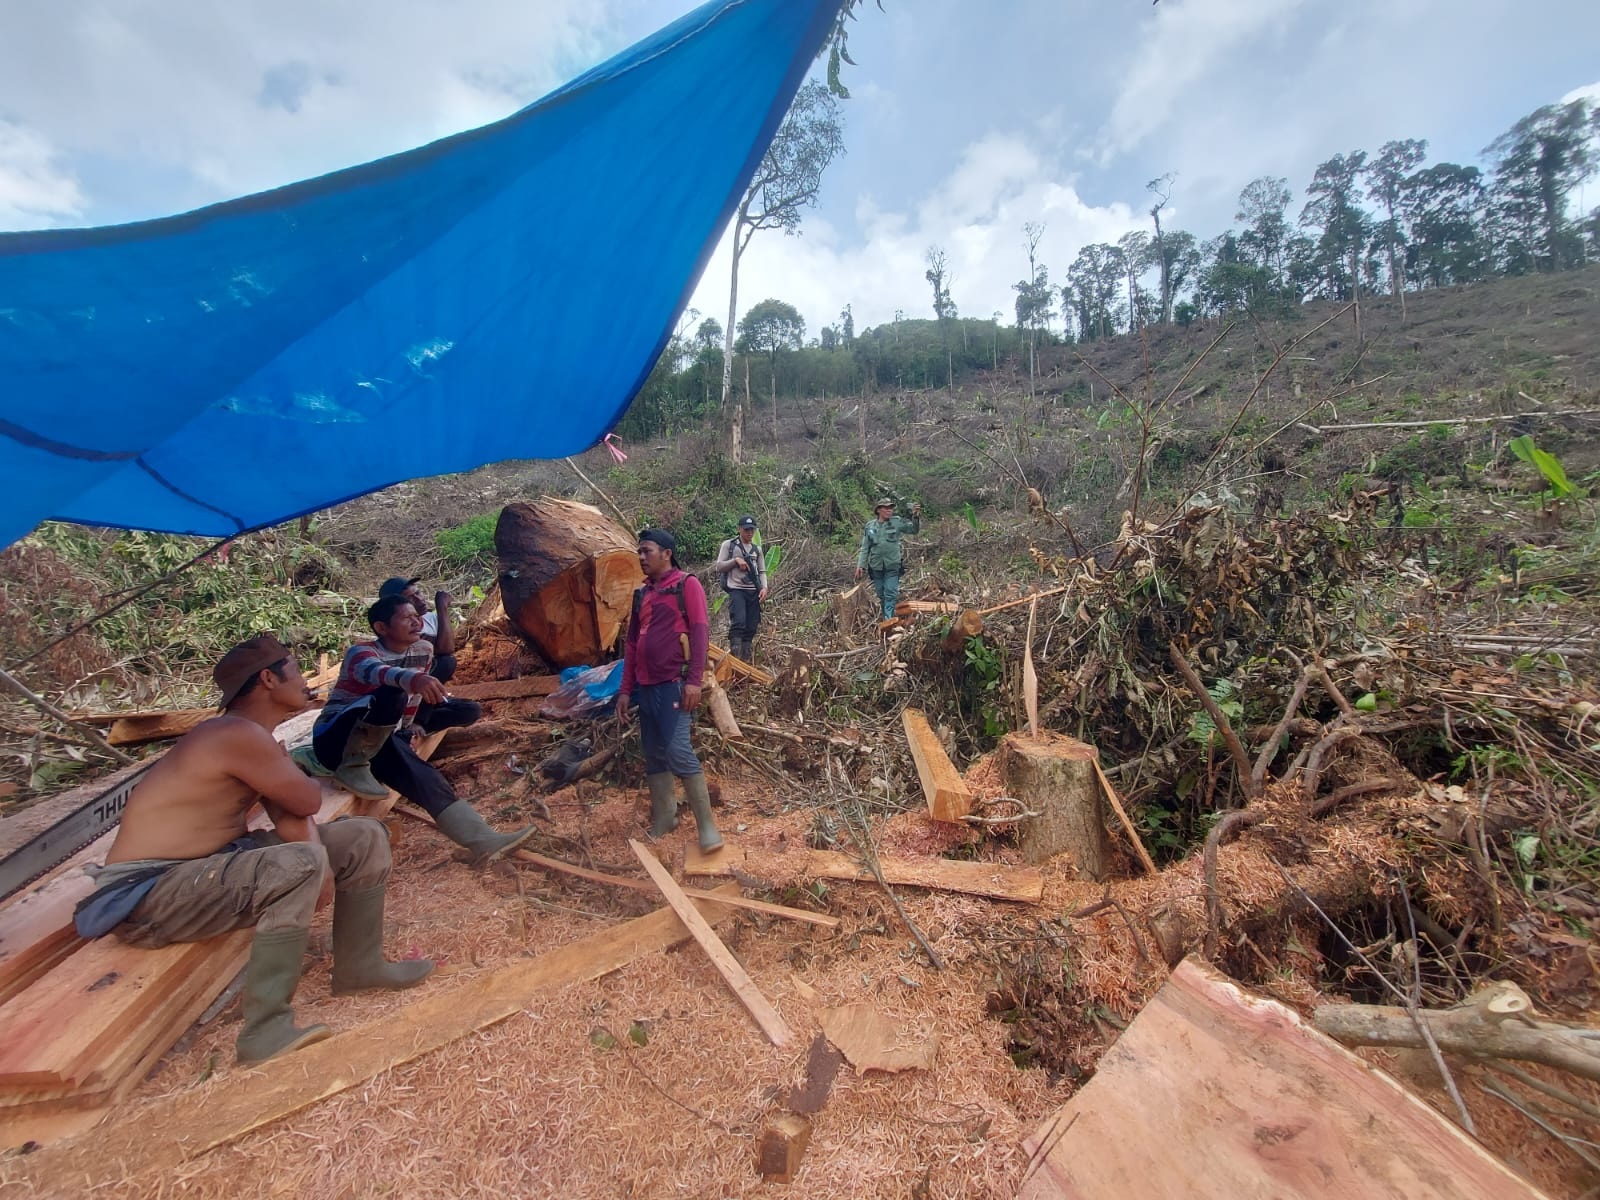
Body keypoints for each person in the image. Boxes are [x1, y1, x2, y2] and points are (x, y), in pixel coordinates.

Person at [76, 635, 434, 1065]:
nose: (305, 681)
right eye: (296, 670)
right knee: (298, 860)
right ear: (268, 679)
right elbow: (306, 801)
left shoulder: (254, 738)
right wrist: (310, 851)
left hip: (205, 869)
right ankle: (264, 1029)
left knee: (363, 836)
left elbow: (288, 815)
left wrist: (314, 850)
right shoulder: (234, 735)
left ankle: (360, 966)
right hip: (150, 890)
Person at [312, 595, 536, 865]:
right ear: (382, 628)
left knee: (423, 775)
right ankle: (351, 766)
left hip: (378, 740)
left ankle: (482, 840)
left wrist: (407, 732)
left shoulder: (422, 650)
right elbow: (377, 673)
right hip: (335, 742)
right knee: (391, 693)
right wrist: (411, 678)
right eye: (406, 617)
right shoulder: (361, 652)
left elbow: (412, 703)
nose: (416, 621)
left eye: (416, 616)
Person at [616, 529, 721, 852]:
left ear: (667, 553)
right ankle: (665, 817)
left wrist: (693, 681)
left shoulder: (686, 585)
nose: (642, 557)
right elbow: (632, 645)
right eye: (640, 552)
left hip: (674, 684)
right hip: (645, 688)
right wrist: (624, 690)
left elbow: (701, 633)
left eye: (647, 551)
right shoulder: (642, 594)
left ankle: (707, 827)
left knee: (678, 750)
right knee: (653, 753)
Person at [376, 575, 480, 735]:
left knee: (470, 709)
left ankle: (418, 725)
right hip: (401, 695)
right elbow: (445, 650)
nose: (419, 599)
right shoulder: (401, 629)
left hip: (423, 699)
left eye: (419, 593)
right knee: (445, 663)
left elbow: (448, 646)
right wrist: (442, 608)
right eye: (411, 598)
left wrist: (440, 614)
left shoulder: (431, 619)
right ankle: (416, 721)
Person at [855, 497, 922, 620]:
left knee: (890, 593)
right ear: (879, 510)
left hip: (892, 565)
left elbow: (914, 530)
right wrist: (861, 566)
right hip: (876, 567)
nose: (889, 510)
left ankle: (889, 619)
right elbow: (865, 548)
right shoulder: (870, 526)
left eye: (891, 507)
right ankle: (886, 617)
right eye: (886, 508)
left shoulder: (897, 522)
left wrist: (916, 516)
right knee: (881, 594)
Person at [714, 515, 768, 662]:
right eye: (746, 530)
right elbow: (719, 566)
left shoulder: (757, 549)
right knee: (739, 623)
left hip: (754, 591)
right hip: (736, 589)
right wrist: (735, 561)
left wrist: (764, 588)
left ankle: (746, 661)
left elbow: (762, 571)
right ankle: (735, 660)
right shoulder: (729, 545)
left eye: (752, 530)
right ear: (739, 529)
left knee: (751, 626)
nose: (749, 533)